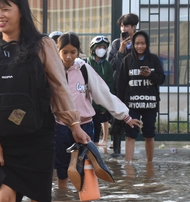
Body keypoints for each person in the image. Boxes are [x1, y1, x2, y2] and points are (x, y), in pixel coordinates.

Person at [0, 0, 90, 202]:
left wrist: (74, 125)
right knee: (2, 201)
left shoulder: (43, 45)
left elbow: (59, 88)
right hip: (1, 138)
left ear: (21, 11)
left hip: (37, 136)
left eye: (6, 8)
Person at [54, 32, 140, 188]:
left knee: (87, 167)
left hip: (85, 126)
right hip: (60, 127)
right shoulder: (52, 72)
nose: (68, 56)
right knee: (61, 170)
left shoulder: (84, 69)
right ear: (57, 50)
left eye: (72, 52)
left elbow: (103, 94)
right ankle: (63, 200)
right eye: (64, 52)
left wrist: (125, 116)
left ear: (78, 51)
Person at [116, 30, 165, 163]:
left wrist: (151, 75)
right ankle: (128, 165)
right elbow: (121, 84)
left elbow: (161, 79)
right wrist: (120, 105)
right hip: (132, 105)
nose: (140, 46)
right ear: (133, 44)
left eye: (143, 43)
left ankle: (150, 164)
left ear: (147, 44)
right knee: (130, 134)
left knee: (149, 134)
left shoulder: (154, 60)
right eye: (137, 43)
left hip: (150, 104)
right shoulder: (127, 60)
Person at [108, 13, 138, 155]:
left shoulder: (139, 43)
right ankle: (116, 149)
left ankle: (129, 150)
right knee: (117, 116)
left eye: (126, 26)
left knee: (131, 116)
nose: (123, 28)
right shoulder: (115, 44)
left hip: (133, 86)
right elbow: (111, 65)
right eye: (121, 26)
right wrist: (120, 49)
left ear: (134, 27)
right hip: (118, 86)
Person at [86, 35, 116, 146]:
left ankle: (94, 154)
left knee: (96, 129)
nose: (101, 50)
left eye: (104, 47)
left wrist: (105, 105)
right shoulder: (86, 63)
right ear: (93, 48)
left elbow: (109, 86)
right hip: (86, 104)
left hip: (99, 105)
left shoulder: (107, 66)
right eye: (99, 47)